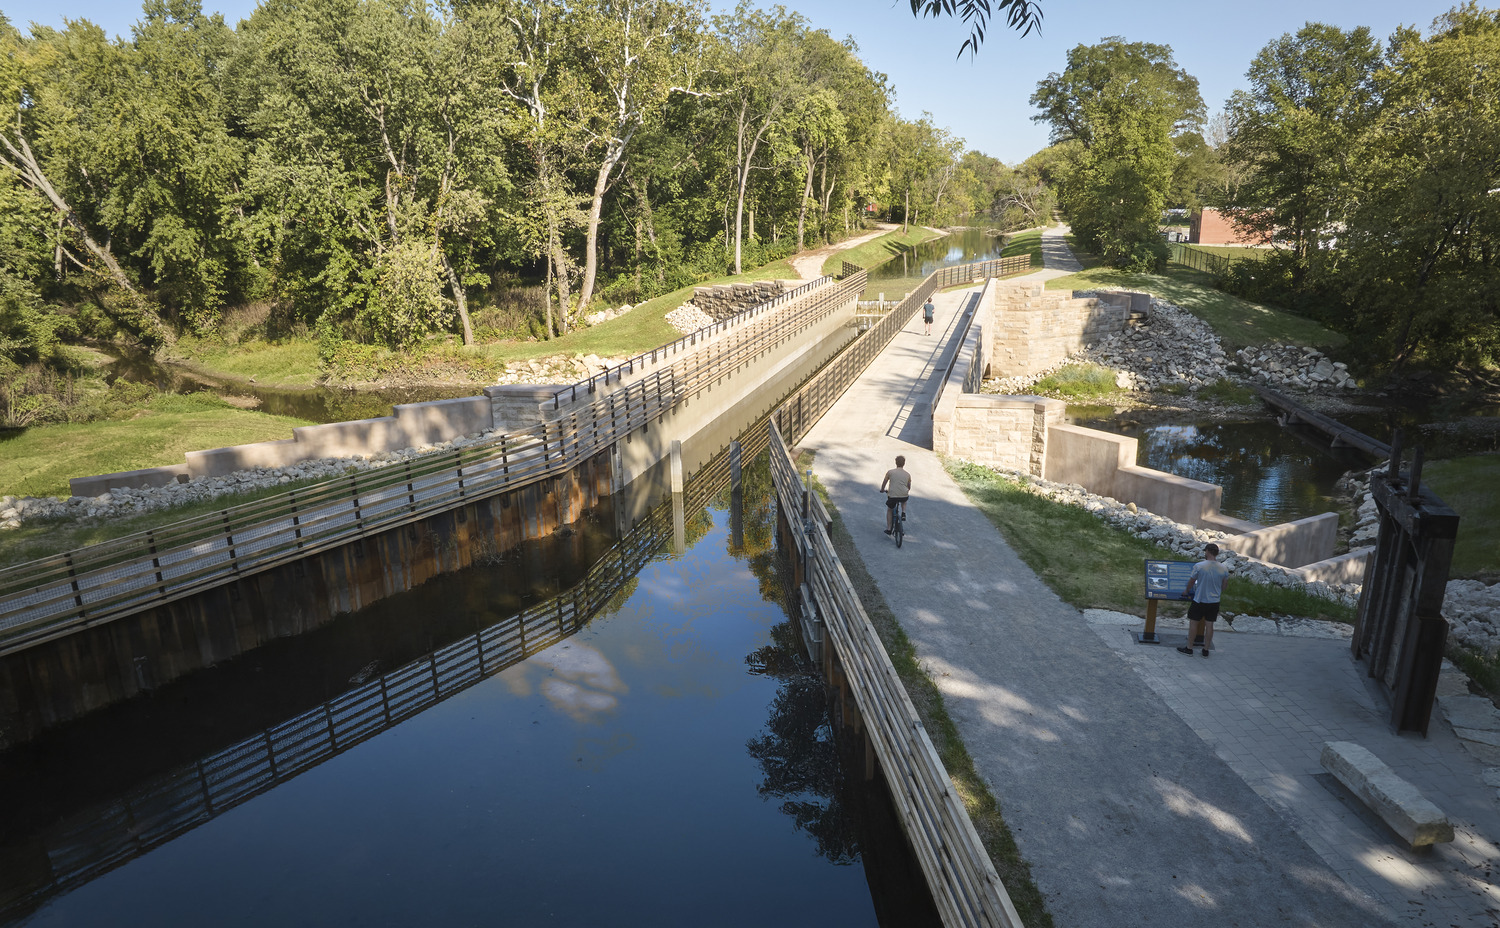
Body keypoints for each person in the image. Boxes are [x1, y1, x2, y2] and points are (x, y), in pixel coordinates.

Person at [1177, 543, 1229, 657]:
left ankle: (1189, 648)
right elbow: (1224, 586)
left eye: (1205, 551)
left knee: (1193, 624)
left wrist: (1186, 591)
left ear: (1208, 552)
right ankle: (1206, 650)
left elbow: (1191, 581)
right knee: (1209, 625)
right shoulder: (1224, 568)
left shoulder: (1199, 566)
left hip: (1200, 600)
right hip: (1214, 601)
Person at [879, 455, 911, 534]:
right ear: (904, 463)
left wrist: (882, 490)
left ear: (896, 462)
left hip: (892, 496)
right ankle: (903, 513)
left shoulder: (890, 472)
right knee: (904, 499)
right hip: (903, 495)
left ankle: (889, 529)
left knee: (890, 509)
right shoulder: (907, 474)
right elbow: (909, 487)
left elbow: (884, 483)